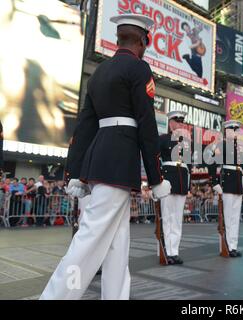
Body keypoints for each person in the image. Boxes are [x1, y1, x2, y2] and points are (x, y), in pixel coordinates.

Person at [40, 14, 171, 300]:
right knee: (88, 240)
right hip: (118, 163)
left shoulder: (100, 72)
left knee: (117, 242)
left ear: (118, 39)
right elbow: (146, 124)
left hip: (96, 161)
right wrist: (157, 177)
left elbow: (84, 125)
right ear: (143, 42)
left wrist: (73, 171)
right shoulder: (139, 69)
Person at [208, 120, 243, 258]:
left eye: (236, 130)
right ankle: (226, 246)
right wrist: (215, 182)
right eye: (233, 130)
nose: (235, 133)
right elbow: (211, 163)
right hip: (227, 183)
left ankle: (233, 246)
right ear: (227, 131)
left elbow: (241, 168)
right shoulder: (221, 145)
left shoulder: (239, 148)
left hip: (237, 184)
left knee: (235, 218)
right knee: (228, 217)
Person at [158, 110, 190, 265]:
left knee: (177, 219)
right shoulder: (163, 139)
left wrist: (188, 186)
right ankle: (165, 251)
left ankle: (174, 251)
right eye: (177, 122)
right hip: (168, 179)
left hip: (181, 181)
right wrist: (156, 182)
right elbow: (155, 160)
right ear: (170, 123)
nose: (180, 125)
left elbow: (188, 166)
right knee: (167, 217)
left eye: (181, 122)